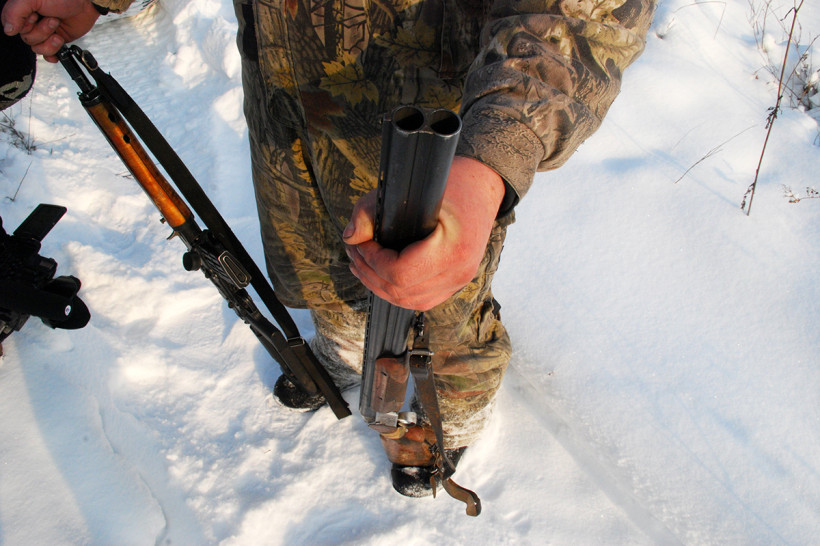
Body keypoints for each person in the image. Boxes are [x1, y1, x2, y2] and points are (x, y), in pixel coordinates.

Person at [2, 0, 657, 499]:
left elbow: (584, 14)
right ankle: (347, 351)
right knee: (316, 261)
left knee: (434, 303)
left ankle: (446, 415)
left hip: (428, 124)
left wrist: (495, 155)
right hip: (284, 94)